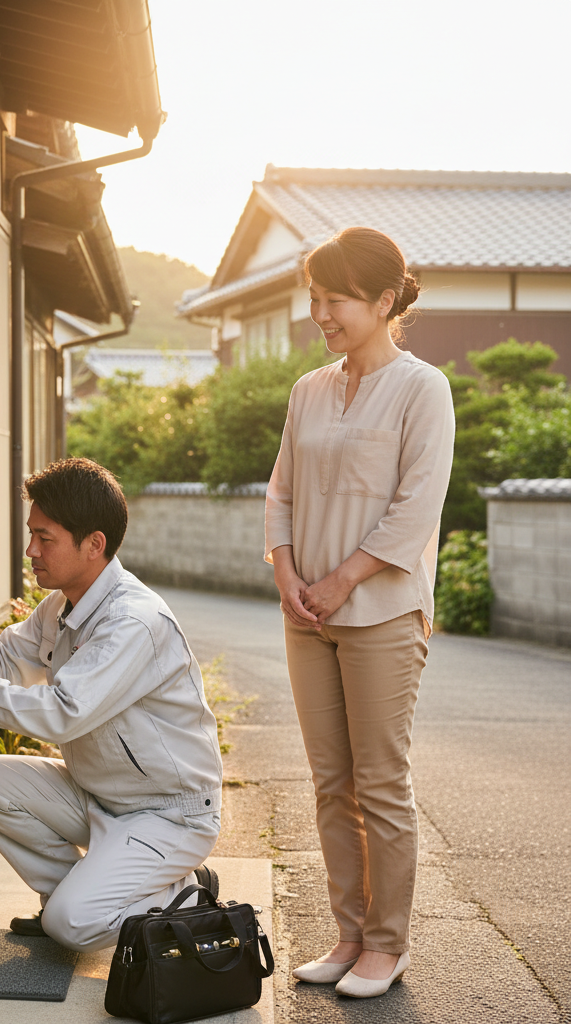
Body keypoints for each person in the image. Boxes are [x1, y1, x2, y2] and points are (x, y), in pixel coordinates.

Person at [0, 457, 223, 953]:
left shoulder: (133, 622)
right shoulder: (62, 605)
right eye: (32, 536)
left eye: (45, 539)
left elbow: (61, 712)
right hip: (98, 797)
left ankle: (186, 899)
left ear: (95, 545)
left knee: (71, 928)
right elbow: (4, 659)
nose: (31, 550)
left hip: (167, 814)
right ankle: (71, 897)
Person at [265, 226, 455, 998]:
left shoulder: (422, 387)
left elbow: (417, 511)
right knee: (329, 782)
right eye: (313, 296)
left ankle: (388, 944)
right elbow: (280, 491)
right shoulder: (308, 390)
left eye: (333, 296)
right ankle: (347, 935)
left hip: (379, 612)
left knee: (379, 782)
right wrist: (286, 577)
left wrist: (341, 580)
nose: (320, 312)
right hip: (305, 613)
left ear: (383, 300)